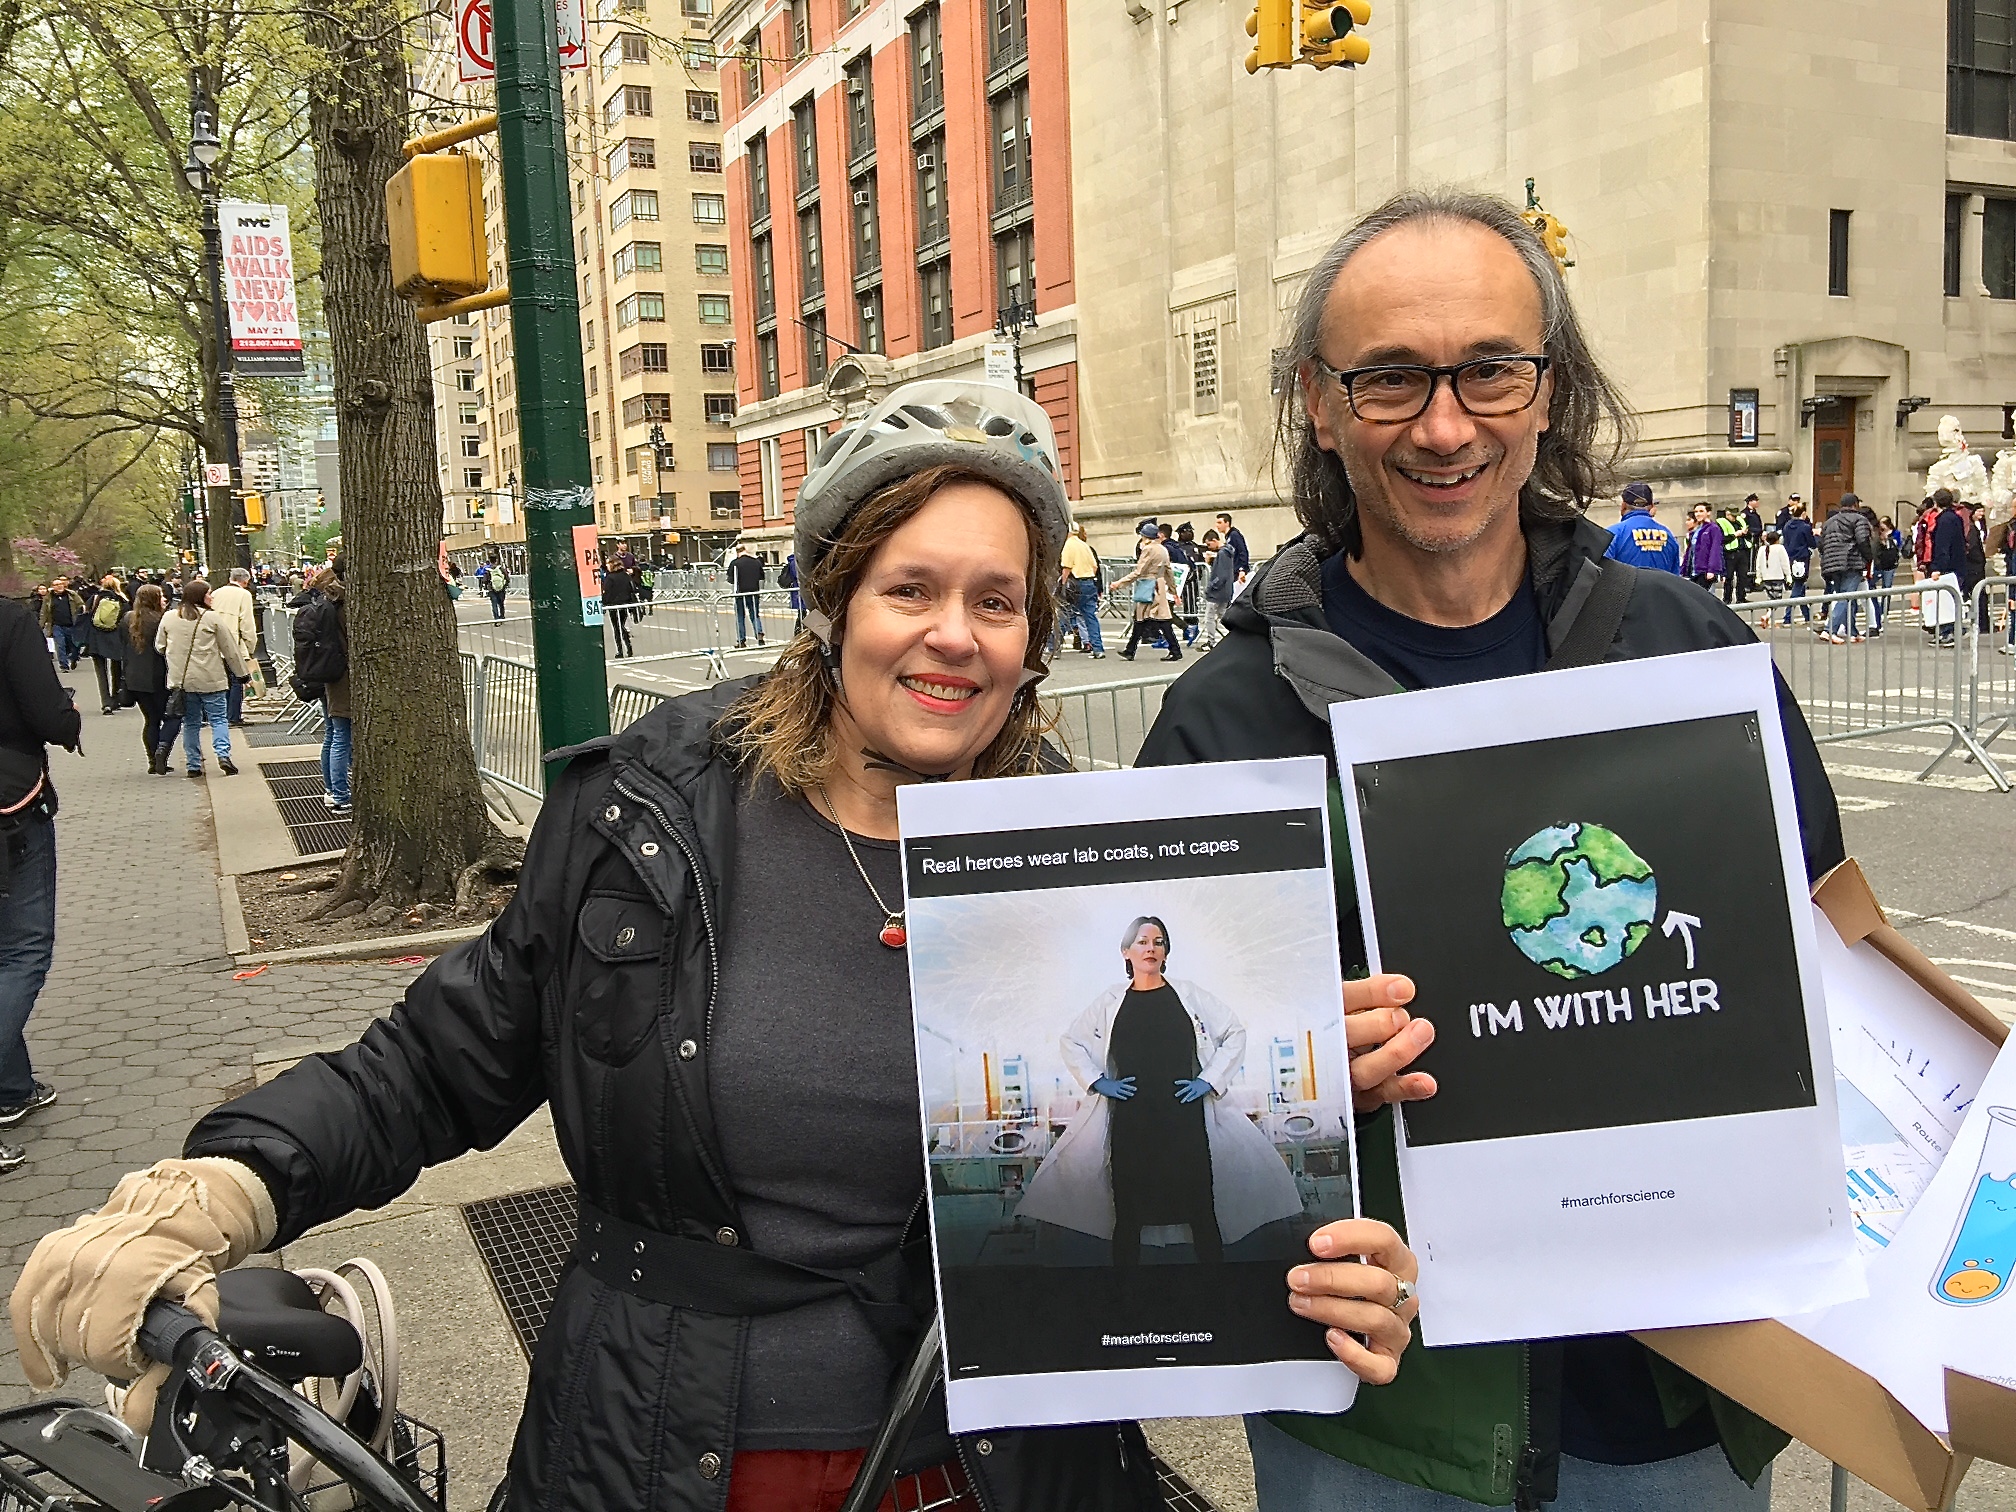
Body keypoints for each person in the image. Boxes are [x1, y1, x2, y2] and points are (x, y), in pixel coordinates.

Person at [10, 379, 1421, 1512]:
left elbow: (1147, 1171)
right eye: (910, 590)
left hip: (985, 1466)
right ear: (833, 601)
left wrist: (1317, 1211)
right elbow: (438, 1062)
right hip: (656, 1451)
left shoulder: (1091, 858)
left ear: (1039, 633)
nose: (954, 638)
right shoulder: (653, 810)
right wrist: (222, 1186)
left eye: (998, 602)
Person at [1137, 187, 1847, 1512]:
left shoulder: (1693, 655)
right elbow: (1161, 1108)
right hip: (1381, 1434)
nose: (1446, 422)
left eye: (1489, 370)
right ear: (1320, 400)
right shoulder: (1224, 722)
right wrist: (1283, 1076)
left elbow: (1824, 962)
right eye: (1392, 377)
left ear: (1549, 387)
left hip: (1680, 1410)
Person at [1019, 916, 1303, 1267]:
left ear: (1166, 951)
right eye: (1142, 941)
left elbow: (1234, 1032)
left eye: (1158, 941)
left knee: (1201, 1209)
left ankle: (1217, 1292)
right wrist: (1099, 1082)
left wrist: (1208, 1081)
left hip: (1184, 1119)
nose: (1151, 947)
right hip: (1131, 1122)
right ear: (1126, 951)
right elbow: (1070, 1041)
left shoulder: (1189, 995)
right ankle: (1128, 1300)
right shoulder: (1109, 1001)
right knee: (1129, 1214)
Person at [0, 589, 78, 1176]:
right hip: (10, 805)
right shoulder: (9, 621)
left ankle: (12, 1084)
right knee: (24, 948)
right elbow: (47, 712)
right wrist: (69, 718)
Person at [157, 579, 248, 778]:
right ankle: (223, 755)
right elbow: (230, 649)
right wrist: (242, 674)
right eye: (209, 593)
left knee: (191, 723)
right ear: (200, 596)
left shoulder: (170, 617)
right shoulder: (212, 619)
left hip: (182, 680)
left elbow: (159, 646)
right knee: (218, 719)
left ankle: (193, 764)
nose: (212, 597)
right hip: (211, 678)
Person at [292, 566, 352, 814]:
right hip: (342, 677)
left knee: (333, 733)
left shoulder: (326, 603)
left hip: (329, 674)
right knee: (341, 735)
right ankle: (339, 793)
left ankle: (332, 790)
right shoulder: (340, 605)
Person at [120, 585, 175, 774]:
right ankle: (162, 753)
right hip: (159, 676)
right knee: (167, 716)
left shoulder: (128, 619)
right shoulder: (160, 620)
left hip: (135, 677)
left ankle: (152, 759)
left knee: (150, 719)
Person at [1110, 521, 1182, 661]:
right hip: (1159, 585)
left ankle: (1173, 650)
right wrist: (1173, 591)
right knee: (1154, 619)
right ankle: (1132, 649)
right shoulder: (1162, 549)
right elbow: (1169, 571)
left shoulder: (1148, 550)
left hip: (1148, 584)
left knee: (1146, 619)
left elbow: (1139, 571)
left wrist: (1119, 583)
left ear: (1145, 536)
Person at [1818, 493, 1873, 644]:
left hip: (1831, 563)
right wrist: (1868, 558)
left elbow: (1821, 544)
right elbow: (1863, 540)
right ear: (1855, 504)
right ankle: (1829, 630)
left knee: (1845, 596)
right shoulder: (1859, 519)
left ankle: (1851, 631)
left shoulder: (1829, 522)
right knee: (1846, 597)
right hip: (1851, 561)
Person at [211, 567, 260, 727]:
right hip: (234, 644)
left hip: (215, 644)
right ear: (245, 581)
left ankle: (221, 715)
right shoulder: (244, 595)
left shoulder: (216, 593)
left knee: (222, 682)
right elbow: (247, 623)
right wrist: (250, 645)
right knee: (237, 680)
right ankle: (233, 716)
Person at [1603, 480, 1680, 571]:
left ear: (1623, 506)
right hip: (1662, 585)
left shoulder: (1612, 534)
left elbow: (1603, 572)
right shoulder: (1668, 535)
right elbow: (1676, 577)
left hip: (1626, 584)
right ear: (1651, 506)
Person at [1056, 522, 1105, 658]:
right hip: (1089, 582)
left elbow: (1066, 568)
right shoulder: (1084, 546)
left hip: (1075, 584)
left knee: (1064, 614)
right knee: (1090, 616)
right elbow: (1095, 567)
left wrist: (1062, 586)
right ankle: (1098, 648)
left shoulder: (1068, 545)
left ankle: (1054, 647)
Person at [81, 574, 128, 714]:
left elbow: (87, 615)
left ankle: (105, 702)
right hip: (115, 638)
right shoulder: (122, 600)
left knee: (101, 672)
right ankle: (116, 699)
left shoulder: (94, 598)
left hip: (96, 639)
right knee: (116, 669)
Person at [1779, 498, 1816, 624]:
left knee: (1800, 587)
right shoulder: (1805, 527)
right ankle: (1788, 616)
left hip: (1790, 557)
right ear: (1803, 514)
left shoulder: (1787, 525)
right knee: (1798, 586)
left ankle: (1806, 615)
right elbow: (1812, 543)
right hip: (1802, 557)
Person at [1867, 511, 1903, 635]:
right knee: (1873, 594)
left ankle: (1878, 619)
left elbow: (1875, 553)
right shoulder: (1877, 534)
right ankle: (1876, 621)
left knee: (1883, 590)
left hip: (1883, 566)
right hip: (1881, 566)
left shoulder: (1879, 535)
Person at [1200, 528, 1237, 648]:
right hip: (1225, 590)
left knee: (1210, 617)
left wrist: (1210, 587)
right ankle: (1232, 637)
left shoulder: (1222, 553)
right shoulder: (1227, 552)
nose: (1208, 547)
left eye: (1209, 544)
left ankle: (1212, 641)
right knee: (1222, 615)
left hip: (1217, 591)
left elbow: (1220, 575)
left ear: (1214, 540)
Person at [39, 578, 84, 671]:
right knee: (60, 645)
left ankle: (74, 659)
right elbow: (44, 612)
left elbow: (81, 606)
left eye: (61, 584)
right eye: (56, 584)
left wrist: (81, 619)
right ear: (52, 587)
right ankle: (64, 665)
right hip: (57, 625)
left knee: (74, 646)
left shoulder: (72, 595)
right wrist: (41, 625)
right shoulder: (48, 598)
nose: (59, 586)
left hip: (72, 624)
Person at [727, 541, 766, 647]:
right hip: (754, 591)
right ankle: (759, 635)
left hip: (740, 592)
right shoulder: (756, 562)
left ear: (737, 552)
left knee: (740, 616)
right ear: (745, 550)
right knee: (754, 615)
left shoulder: (735, 563)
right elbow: (762, 577)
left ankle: (741, 640)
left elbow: (730, 579)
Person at [1680, 501, 1724, 592]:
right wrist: (1683, 569)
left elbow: (1715, 549)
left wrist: (1711, 569)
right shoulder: (1697, 530)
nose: (1698, 514)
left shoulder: (1713, 528)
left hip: (1704, 570)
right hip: (1693, 570)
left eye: (1701, 511)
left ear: (1708, 513)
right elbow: (1690, 551)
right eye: (1696, 512)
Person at [1754, 528, 1792, 629]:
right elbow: (1785, 563)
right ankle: (1768, 616)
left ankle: (1770, 619)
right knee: (1777, 600)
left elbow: (1758, 564)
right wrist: (1788, 575)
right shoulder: (1780, 548)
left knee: (1770, 598)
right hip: (1777, 577)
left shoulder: (1762, 549)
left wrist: (1759, 576)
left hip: (1766, 577)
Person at [601, 558, 638, 658]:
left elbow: (607, 592)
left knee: (616, 628)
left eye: (608, 563)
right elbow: (631, 588)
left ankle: (620, 650)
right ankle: (629, 647)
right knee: (621, 625)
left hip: (614, 605)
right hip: (625, 604)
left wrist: (604, 603)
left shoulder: (610, 577)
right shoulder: (626, 575)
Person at [1716, 502, 1752, 604]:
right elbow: (1722, 539)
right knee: (1728, 578)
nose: (1735, 518)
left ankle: (1741, 597)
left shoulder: (1740, 521)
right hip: (1730, 553)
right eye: (1733, 516)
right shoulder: (1721, 523)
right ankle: (1727, 598)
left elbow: (1749, 535)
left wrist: (1745, 533)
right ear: (1727, 514)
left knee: (1743, 576)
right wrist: (1735, 535)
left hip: (1742, 551)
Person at [1214, 510, 1251, 585]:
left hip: (1236, 571)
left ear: (1227, 523)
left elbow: (1242, 551)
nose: (1217, 525)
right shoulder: (1229, 536)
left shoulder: (1234, 535)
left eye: (1220, 523)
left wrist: (1242, 569)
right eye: (1217, 523)